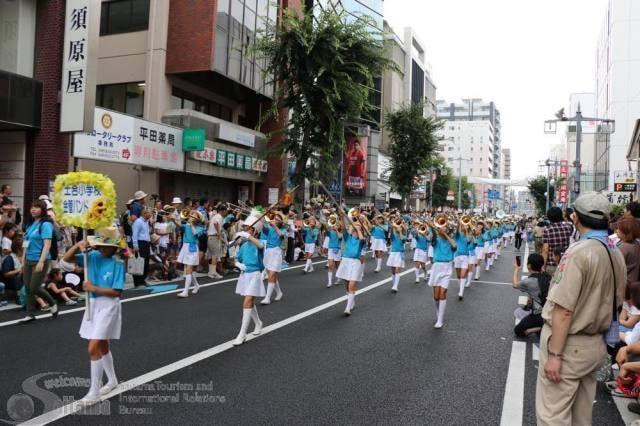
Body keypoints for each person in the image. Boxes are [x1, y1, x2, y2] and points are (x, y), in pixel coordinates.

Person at [536, 192, 626, 425]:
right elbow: (617, 302)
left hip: (569, 346)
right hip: (595, 345)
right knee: (581, 416)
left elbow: (564, 309)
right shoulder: (615, 252)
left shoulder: (578, 252)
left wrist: (555, 354)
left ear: (575, 217)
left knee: (552, 416)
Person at [63, 226, 125, 404]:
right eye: (99, 245)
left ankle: (94, 392)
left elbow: (117, 292)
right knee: (103, 345)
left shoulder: (118, 262)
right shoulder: (93, 256)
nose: (102, 248)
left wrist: (93, 288)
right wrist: (78, 245)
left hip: (108, 306)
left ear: (114, 247)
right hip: (93, 305)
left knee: (93, 348)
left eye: (105, 246)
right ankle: (112, 381)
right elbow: (65, 261)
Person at [20, 200, 57, 322]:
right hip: (28, 260)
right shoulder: (30, 224)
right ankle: (30, 314)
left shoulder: (46, 224)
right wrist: (23, 258)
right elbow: (26, 243)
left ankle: (52, 302)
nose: (33, 209)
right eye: (32, 207)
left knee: (34, 287)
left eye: (36, 207)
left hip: (40, 260)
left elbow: (47, 245)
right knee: (27, 287)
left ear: (43, 210)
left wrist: (41, 261)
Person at [231, 214, 265, 346]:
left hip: (256, 274)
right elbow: (236, 258)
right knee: (249, 301)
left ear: (255, 231)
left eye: (248, 228)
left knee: (247, 301)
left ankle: (242, 334)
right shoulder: (244, 246)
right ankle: (258, 323)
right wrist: (237, 264)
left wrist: (248, 236)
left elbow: (261, 247)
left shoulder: (260, 243)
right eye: (244, 228)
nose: (245, 230)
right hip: (245, 275)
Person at [335, 208, 366, 316]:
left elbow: (362, 240)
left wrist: (359, 229)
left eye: (358, 225)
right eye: (354, 225)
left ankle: (348, 308)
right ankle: (351, 301)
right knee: (347, 284)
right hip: (346, 261)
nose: (355, 225)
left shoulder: (362, 240)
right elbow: (343, 228)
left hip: (356, 263)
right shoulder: (348, 237)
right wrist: (342, 216)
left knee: (352, 285)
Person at [428, 223, 457, 329]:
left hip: (447, 267)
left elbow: (454, 246)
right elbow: (433, 238)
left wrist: (446, 235)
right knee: (436, 297)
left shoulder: (450, 240)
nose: (443, 228)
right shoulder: (435, 239)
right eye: (441, 227)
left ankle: (440, 320)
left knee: (442, 294)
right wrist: (433, 228)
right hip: (436, 267)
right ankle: (438, 313)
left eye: (445, 227)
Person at [512, 253, 548, 337]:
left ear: (529, 266)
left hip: (538, 315)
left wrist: (516, 269)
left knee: (518, 330)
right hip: (549, 312)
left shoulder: (529, 281)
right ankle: (544, 326)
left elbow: (514, 285)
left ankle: (540, 328)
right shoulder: (547, 276)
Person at [173, 210, 206, 297]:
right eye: (191, 215)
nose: (191, 216)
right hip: (185, 247)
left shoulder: (201, 228)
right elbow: (179, 226)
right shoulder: (186, 225)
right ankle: (196, 285)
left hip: (193, 248)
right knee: (189, 270)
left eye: (193, 215)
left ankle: (186, 291)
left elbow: (195, 233)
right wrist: (173, 220)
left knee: (188, 269)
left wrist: (191, 224)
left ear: (198, 218)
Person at [260, 213, 286, 304]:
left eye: (278, 219)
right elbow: (263, 228)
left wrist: (274, 226)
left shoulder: (283, 229)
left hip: (276, 252)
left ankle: (267, 298)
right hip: (268, 252)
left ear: (280, 222)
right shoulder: (270, 229)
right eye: (275, 218)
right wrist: (261, 218)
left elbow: (282, 236)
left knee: (271, 275)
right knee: (272, 276)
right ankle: (279, 292)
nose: (275, 220)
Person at [541, 207, 573, 275]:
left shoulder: (547, 230)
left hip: (551, 264)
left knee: (550, 284)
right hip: (566, 263)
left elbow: (545, 250)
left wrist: (543, 266)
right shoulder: (568, 227)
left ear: (549, 217)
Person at [614, 217, 640, 285]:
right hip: (633, 280)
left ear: (626, 232)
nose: (616, 230)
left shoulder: (624, 247)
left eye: (618, 229)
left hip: (625, 283)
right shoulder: (636, 242)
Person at [131, 208, 152, 287]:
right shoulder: (138, 222)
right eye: (149, 213)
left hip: (146, 243)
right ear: (144, 213)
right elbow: (135, 234)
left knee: (146, 262)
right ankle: (137, 282)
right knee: (138, 262)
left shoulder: (146, 222)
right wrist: (135, 245)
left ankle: (142, 280)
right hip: (140, 243)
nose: (150, 215)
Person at [386, 219, 406, 293]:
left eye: (400, 227)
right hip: (393, 253)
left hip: (400, 253)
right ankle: (394, 284)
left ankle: (395, 286)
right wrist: (394, 225)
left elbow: (402, 240)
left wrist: (400, 231)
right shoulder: (393, 234)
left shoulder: (404, 235)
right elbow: (391, 228)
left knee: (397, 269)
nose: (398, 227)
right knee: (393, 270)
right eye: (398, 226)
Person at [206, 204, 226, 279]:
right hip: (214, 237)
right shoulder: (219, 217)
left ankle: (211, 272)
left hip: (210, 237)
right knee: (215, 255)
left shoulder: (214, 216)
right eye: (225, 211)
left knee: (212, 255)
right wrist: (218, 233)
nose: (226, 212)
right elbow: (215, 223)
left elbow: (211, 223)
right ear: (223, 211)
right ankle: (213, 272)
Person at [453, 222, 471, 301]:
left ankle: (461, 292)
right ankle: (461, 286)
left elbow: (468, 241)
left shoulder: (468, 235)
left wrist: (467, 230)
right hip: (457, 256)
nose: (465, 226)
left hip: (465, 257)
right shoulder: (457, 235)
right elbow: (457, 231)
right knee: (458, 275)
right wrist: (458, 223)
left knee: (463, 275)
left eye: (466, 225)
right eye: (464, 225)